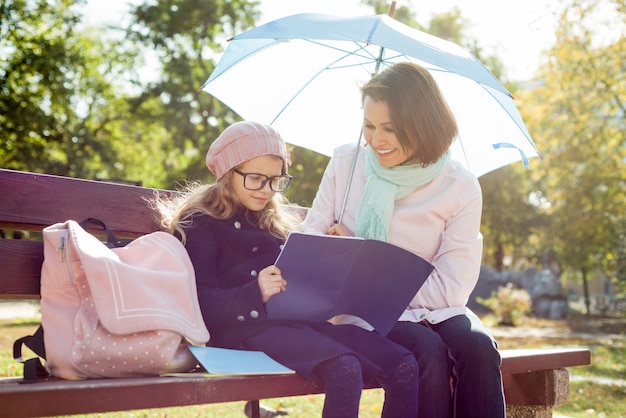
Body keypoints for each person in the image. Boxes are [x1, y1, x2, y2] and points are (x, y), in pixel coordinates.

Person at [153, 120, 420, 418]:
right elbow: (198, 304)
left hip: (299, 327)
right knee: (345, 365)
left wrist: (335, 262)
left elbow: (299, 284)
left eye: (276, 180)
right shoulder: (201, 222)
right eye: (255, 178)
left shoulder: (275, 223)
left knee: (402, 361)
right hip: (241, 336)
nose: (267, 190)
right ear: (227, 173)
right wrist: (253, 294)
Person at [299, 62, 506, 418]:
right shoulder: (346, 164)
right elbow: (310, 239)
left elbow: (453, 287)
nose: (375, 141)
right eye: (368, 126)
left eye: (389, 129)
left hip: (437, 308)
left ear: (421, 125)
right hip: (361, 314)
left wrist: (366, 274)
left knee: (479, 346)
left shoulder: (460, 185)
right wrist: (335, 253)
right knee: (426, 350)